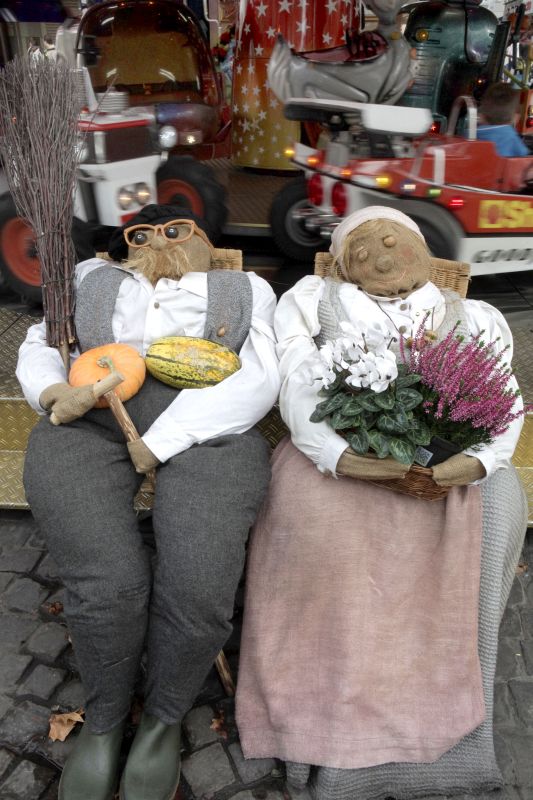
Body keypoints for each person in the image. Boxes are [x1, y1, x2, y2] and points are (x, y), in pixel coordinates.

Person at [235, 206, 528, 799]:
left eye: (395, 239)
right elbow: (297, 384)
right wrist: (346, 459)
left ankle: (442, 720)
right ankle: (330, 721)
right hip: (337, 456)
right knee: (312, 514)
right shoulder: (314, 300)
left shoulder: (476, 316)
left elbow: (505, 398)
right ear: (343, 267)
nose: (381, 251)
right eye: (362, 248)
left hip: (448, 463)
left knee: (499, 506)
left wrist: (474, 462)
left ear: (426, 253)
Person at [17, 204, 280, 800]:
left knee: (200, 584)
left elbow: (260, 377)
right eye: (142, 235)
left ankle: (163, 716)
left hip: (210, 425)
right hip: (90, 416)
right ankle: (106, 718)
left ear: (205, 240)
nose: (160, 242)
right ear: (124, 246)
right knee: (106, 582)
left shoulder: (246, 288)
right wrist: (54, 392)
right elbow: (42, 339)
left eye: (176, 230)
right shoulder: (88, 277)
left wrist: (160, 442)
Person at [476, 81, 530, 157]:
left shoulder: (472, 134)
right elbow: (524, 158)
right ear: (514, 117)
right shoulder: (512, 138)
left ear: (482, 114)